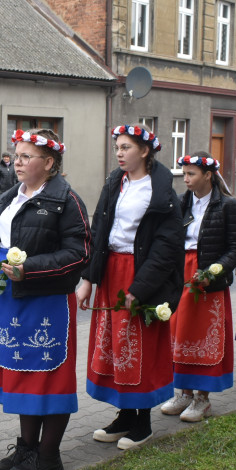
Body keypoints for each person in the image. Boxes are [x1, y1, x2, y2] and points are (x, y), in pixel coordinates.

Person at [0, 128, 90, 470]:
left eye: (26, 156)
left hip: (47, 301)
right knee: (23, 375)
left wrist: (30, 270)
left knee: (50, 378)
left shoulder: (67, 201)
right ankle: (27, 447)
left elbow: (79, 253)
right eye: (16, 155)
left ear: (49, 163)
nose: (16, 162)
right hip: (12, 298)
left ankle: (49, 456)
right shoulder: (10, 198)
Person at [77, 125, 183, 448]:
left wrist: (139, 288)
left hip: (140, 276)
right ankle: (124, 417)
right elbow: (99, 229)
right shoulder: (115, 182)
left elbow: (167, 247)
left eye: (126, 147)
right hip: (112, 272)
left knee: (139, 347)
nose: (119, 153)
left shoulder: (161, 190)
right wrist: (87, 279)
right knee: (114, 346)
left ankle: (143, 422)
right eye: (117, 147)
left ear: (145, 151)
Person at [161, 153, 236, 422]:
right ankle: (183, 392)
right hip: (182, 273)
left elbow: (235, 248)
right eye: (183, 173)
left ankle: (202, 399)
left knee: (205, 336)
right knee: (179, 333)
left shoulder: (227, 205)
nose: (185, 179)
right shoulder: (182, 202)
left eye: (191, 174)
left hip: (207, 276)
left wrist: (213, 272)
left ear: (208, 175)